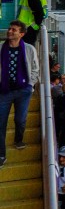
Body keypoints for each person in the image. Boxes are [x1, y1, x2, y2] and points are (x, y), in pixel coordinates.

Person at [0, 20, 40, 168]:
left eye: (14, 30)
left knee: (20, 120)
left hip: (23, 91)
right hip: (4, 91)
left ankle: (18, 139)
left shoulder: (29, 49)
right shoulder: (0, 49)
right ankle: (1, 154)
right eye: (10, 29)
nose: (10, 31)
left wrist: (30, 84)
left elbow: (35, 68)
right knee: (0, 123)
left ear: (21, 34)